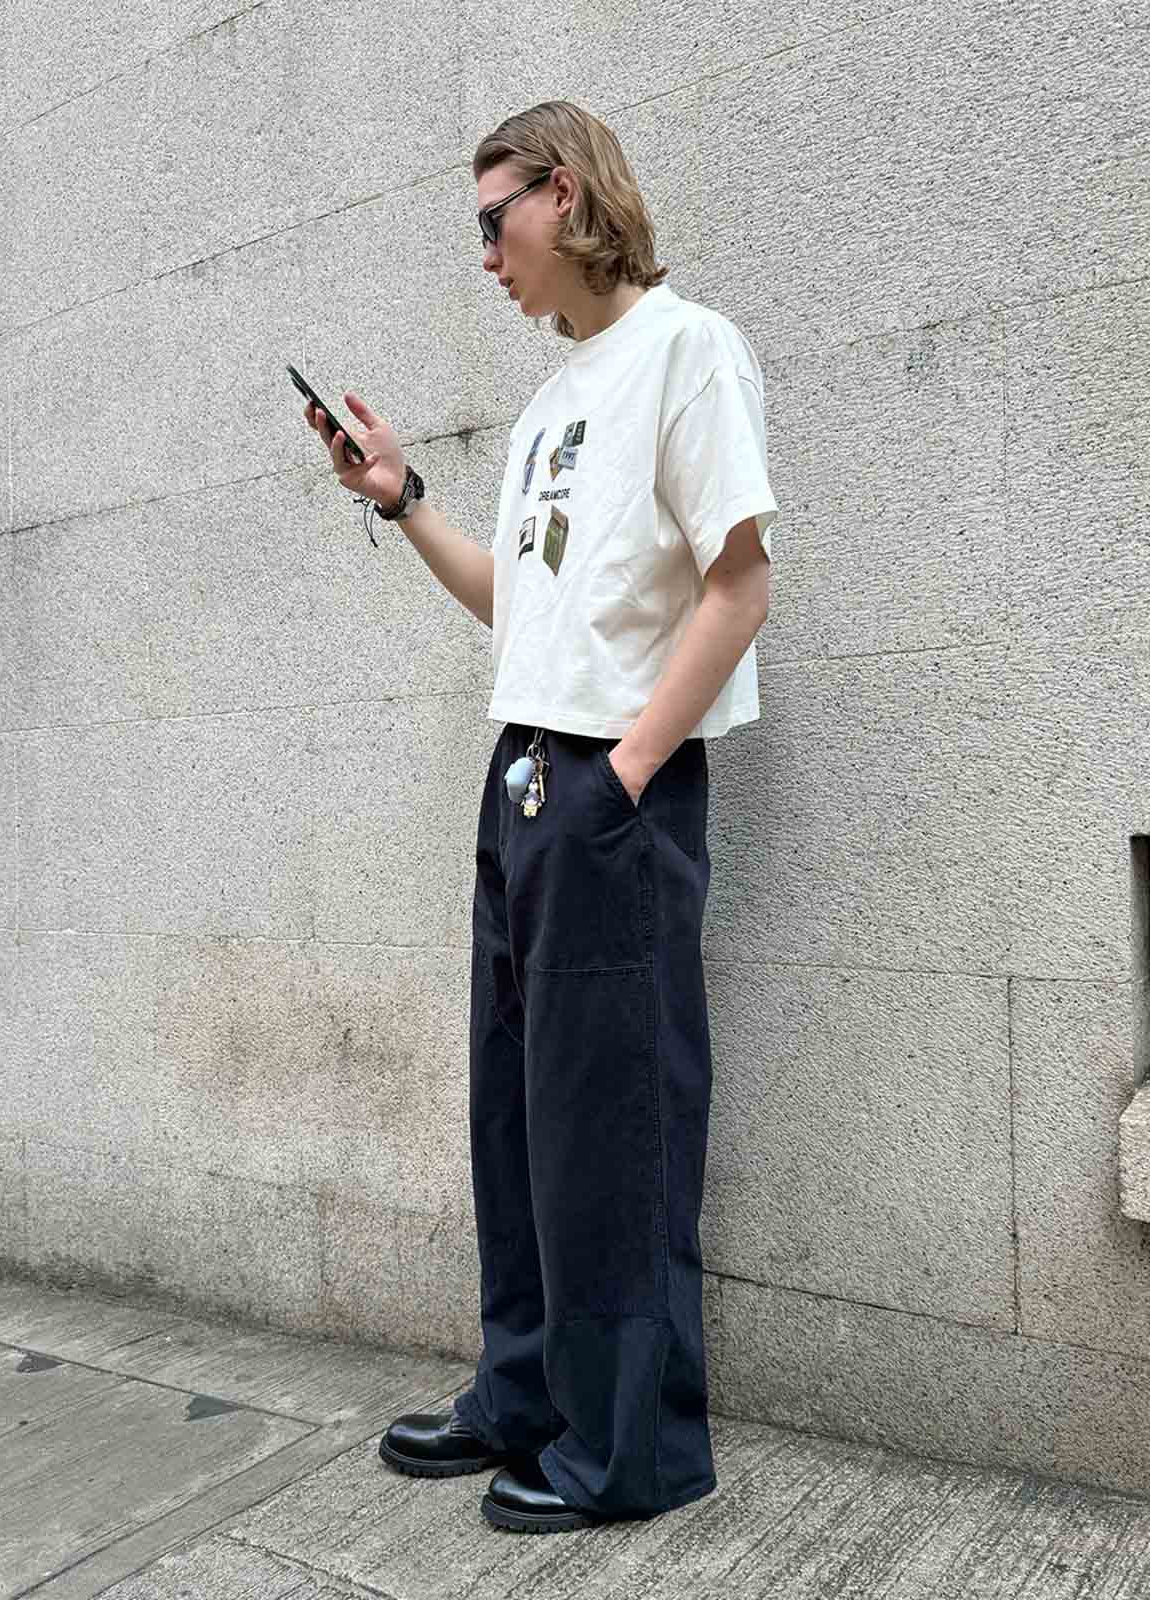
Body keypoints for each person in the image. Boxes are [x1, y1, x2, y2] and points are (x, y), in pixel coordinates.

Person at [305, 100, 778, 1535]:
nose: (486, 255)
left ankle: (632, 1450)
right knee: (518, 1113)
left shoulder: (688, 351)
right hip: (521, 777)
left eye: (492, 218)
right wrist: (404, 500)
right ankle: (524, 1393)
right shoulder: (553, 401)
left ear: (563, 195)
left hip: (608, 789)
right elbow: (522, 609)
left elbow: (740, 584)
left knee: (613, 1119)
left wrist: (624, 775)